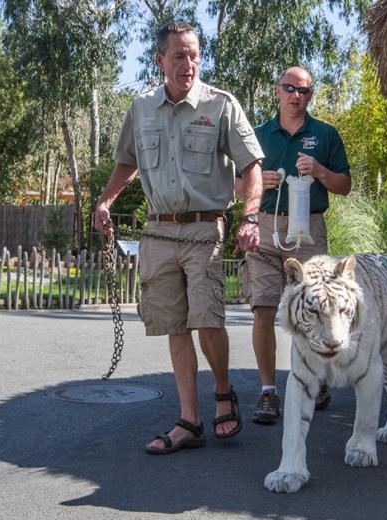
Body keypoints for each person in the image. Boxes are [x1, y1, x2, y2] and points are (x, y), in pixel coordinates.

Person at [93, 21, 264, 454]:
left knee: (207, 319)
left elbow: (251, 166)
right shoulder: (141, 107)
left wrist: (250, 217)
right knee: (173, 325)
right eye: (179, 56)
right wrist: (105, 201)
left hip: (205, 228)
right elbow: (127, 162)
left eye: (193, 55)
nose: (188, 64)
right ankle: (190, 420)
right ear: (160, 60)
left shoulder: (220, 105)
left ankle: (223, 391)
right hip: (158, 230)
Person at [238, 67, 351, 425]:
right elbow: (234, 186)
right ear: (277, 91)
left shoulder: (325, 134)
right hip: (267, 226)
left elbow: (344, 185)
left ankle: (315, 381)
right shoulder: (257, 135)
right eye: (289, 88)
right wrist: (257, 184)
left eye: (303, 90)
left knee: (317, 308)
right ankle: (268, 392)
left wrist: (319, 171)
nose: (296, 96)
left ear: (310, 95)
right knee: (264, 310)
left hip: (309, 228)